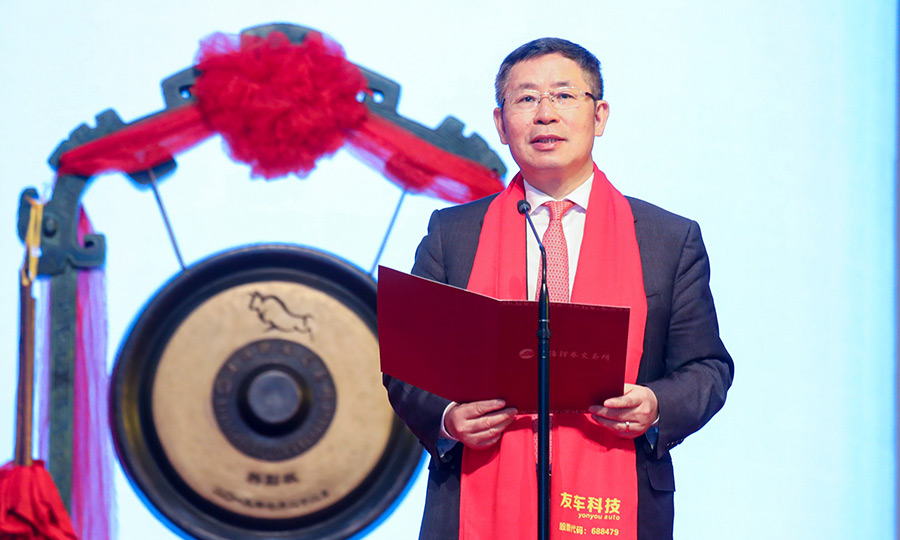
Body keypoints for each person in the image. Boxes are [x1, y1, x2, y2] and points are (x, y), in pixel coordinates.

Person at [383, 37, 733, 540]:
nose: (545, 114)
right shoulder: (453, 233)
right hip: (475, 497)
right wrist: (447, 417)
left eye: (564, 96)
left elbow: (707, 368)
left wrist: (656, 405)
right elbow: (407, 364)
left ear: (600, 115)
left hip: (621, 494)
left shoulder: (667, 239)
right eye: (526, 98)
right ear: (501, 123)